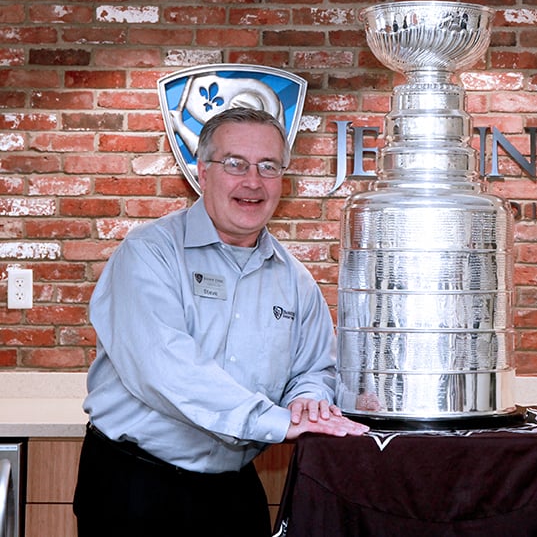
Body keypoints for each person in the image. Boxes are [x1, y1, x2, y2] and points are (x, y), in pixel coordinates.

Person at [73, 107, 368, 537]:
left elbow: (314, 369)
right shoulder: (148, 255)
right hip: (134, 488)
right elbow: (166, 369)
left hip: (232, 494)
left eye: (268, 166)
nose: (253, 181)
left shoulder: (295, 281)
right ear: (202, 171)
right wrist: (277, 422)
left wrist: (307, 399)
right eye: (235, 164)